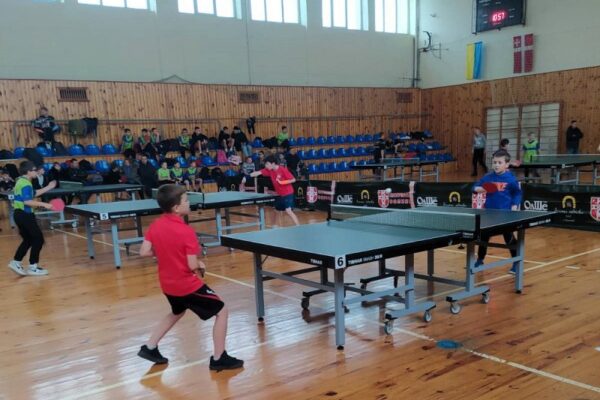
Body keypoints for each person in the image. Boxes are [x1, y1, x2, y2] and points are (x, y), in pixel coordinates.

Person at [137, 184, 244, 370]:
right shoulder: (186, 232)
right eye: (186, 200)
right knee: (222, 310)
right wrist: (200, 265)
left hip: (167, 285)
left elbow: (144, 251)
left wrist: (165, 252)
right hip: (186, 286)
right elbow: (192, 265)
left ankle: (150, 347)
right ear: (176, 208)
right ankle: (219, 358)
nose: (189, 203)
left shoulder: (155, 225)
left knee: (177, 311)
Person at [473, 149, 522, 274]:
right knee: (483, 237)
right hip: (489, 213)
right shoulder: (488, 177)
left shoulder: (510, 179)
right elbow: (475, 187)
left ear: (506, 165)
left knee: (508, 237)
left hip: (505, 214)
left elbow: (517, 193)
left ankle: (516, 262)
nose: (496, 165)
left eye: (500, 163)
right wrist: (482, 189)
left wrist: (515, 205)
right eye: (494, 162)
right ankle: (480, 260)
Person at [7, 160, 57, 276]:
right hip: (25, 215)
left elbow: (33, 193)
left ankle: (16, 262)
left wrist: (49, 187)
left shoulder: (21, 181)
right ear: (28, 171)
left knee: (29, 239)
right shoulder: (25, 183)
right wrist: (45, 204)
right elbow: (27, 201)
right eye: (34, 170)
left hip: (19, 214)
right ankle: (33, 267)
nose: (37, 172)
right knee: (38, 239)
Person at [250, 155, 299, 226]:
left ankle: (298, 226)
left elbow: (293, 180)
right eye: (265, 164)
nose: (266, 166)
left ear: (273, 163)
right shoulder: (269, 170)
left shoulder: (282, 169)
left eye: (267, 164)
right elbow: (258, 172)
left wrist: (282, 182)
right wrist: (248, 176)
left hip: (288, 193)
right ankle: (274, 226)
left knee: (288, 210)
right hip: (279, 194)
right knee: (276, 211)